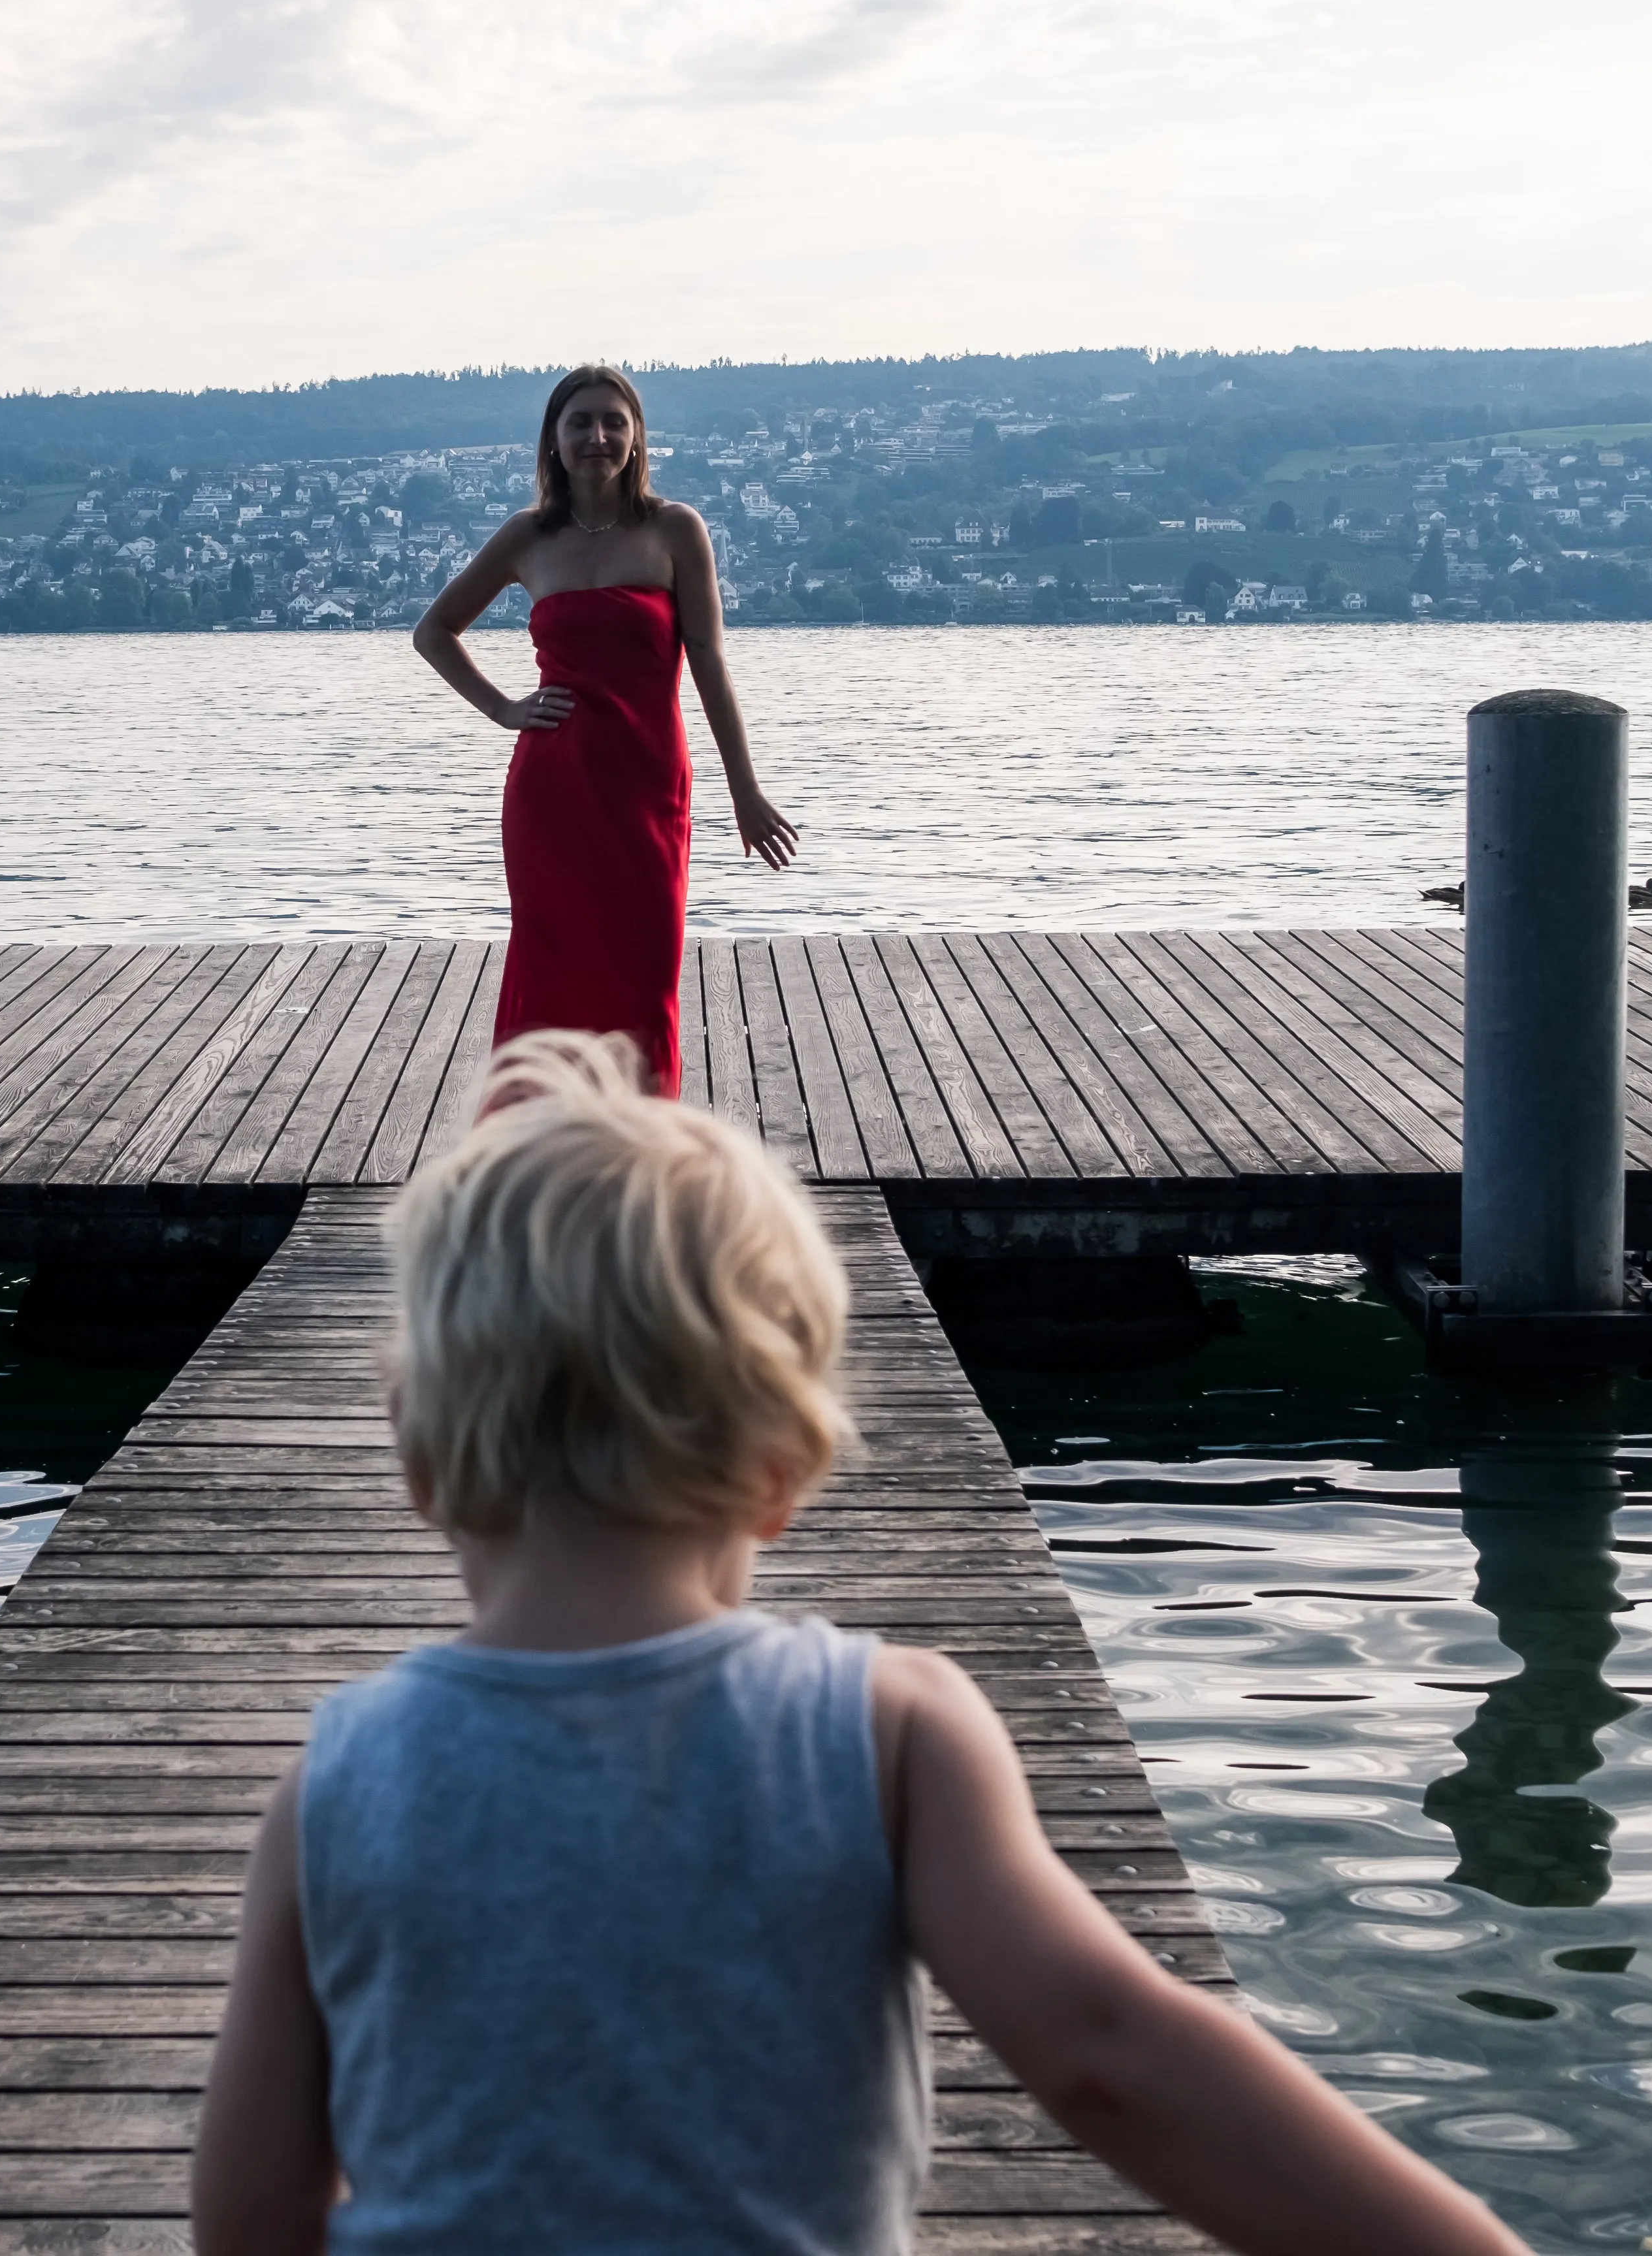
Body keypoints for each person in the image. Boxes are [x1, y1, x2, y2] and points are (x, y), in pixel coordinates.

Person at [189, 1031, 1533, 2256]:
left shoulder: (340, 1778)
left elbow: (248, 2216)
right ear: (784, 1465)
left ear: (421, 1460)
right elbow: (1105, 2052)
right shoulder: (880, 1732)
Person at [412, 367, 797, 1096]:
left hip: (648, 787)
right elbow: (434, 632)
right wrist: (502, 709)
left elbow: (710, 660)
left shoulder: (674, 529)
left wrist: (744, 790)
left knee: (643, 978)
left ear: (637, 436)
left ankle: (644, 1166)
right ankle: (538, 1161)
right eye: (580, 422)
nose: (597, 436)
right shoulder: (528, 537)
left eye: (613, 422)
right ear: (553, 441)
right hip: (553, 791)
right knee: (551, 976)